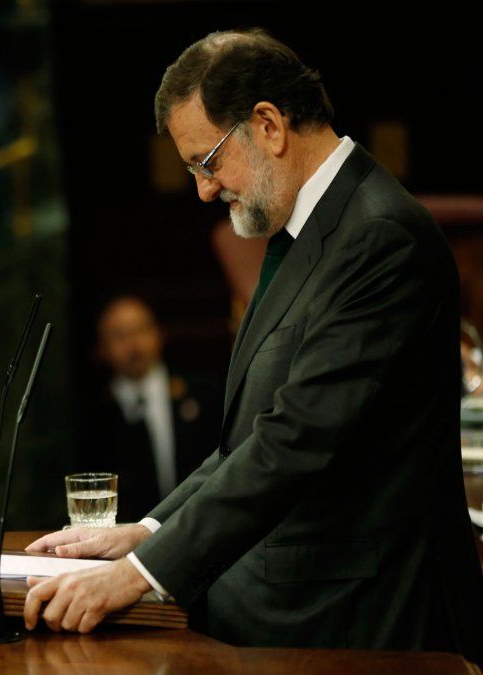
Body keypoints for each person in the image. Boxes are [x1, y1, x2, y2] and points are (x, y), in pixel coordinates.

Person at [24, 28, 483, 664]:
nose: (204, 190)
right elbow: (248, 439)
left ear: (268, 125)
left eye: (206, 162)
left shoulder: (380, 236)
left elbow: (293, 441)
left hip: (361, 624)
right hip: (293, 603)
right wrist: (149, 532)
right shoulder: (306, 226)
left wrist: (139, 574)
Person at [79, 294, 223, 521]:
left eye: (141, 330)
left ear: (159, 333)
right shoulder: (91, 412)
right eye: (119, 335)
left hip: (196, 523)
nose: (133, 344)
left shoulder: (202, 396)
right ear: (102, 348)